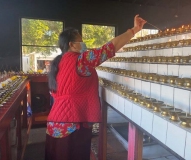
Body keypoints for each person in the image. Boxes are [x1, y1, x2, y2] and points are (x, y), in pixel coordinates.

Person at [45, 15, 146, 160]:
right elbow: (110, 48)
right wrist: (134, 30)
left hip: (54, 122)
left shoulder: (57, 63)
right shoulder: (81, 60)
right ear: (72, 44)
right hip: (73, 124)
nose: (83, 44)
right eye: (81, 41)